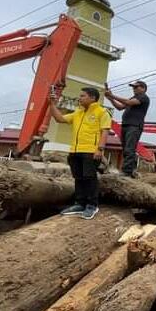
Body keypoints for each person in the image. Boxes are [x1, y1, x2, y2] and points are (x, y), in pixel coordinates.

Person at [49, 87, 111, 220]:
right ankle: (79, 203)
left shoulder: (102, 112)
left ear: (92, 98)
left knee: (90, 178)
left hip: (91, 151)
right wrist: (52, 104)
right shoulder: (78, 112)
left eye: (83, 96)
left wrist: (100, 149)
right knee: (79, 178)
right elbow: (59, 118)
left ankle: (92, 205)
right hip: (75, 151)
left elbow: (105, 131)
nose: (79, 98)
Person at [104, 80, 150, 178]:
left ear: (143, 88)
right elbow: (120, 107)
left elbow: (128, 102)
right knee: (126, 149)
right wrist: (110, 98)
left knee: (129, 148)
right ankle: (131, 170)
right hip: (126, 125)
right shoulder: (133, 98)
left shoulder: (143, 98)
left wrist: (112, 95)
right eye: (133, 87)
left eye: (136, 87)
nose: (134, 89)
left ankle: (127, 172)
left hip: (134, 126)